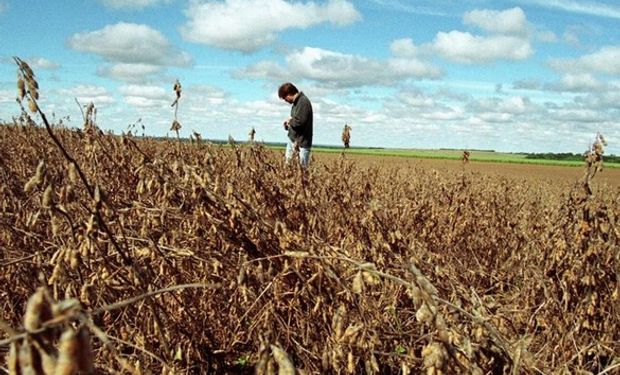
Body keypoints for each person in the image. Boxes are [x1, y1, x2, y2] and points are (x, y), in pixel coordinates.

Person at [278, 82, 313, 167]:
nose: (285, 101)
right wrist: (288, 125)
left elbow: (299, 122)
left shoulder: (303, 102)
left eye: (285, 98)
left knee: (301, 171)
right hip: (292, 140)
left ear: (289, 94)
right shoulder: (296, 104)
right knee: (288, 167)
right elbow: (295, 121)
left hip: (302, 143)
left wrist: (290, 121)